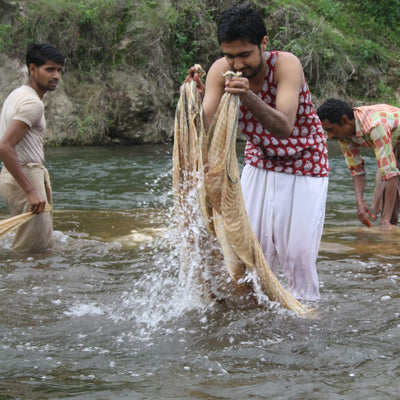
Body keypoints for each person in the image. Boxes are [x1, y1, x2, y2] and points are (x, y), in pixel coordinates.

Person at [185, 5, 329, 301]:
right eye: (229, 55)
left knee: (298, 255)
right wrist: (194, 100)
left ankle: (304, 314)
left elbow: (284, 126)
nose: (237, 64)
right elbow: (207, 128)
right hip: (260, 160)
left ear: (264, 43)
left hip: (306, 162)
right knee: (248, 249)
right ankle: (255, 311)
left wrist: (248, 95)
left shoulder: (286, 65)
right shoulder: (218, 71)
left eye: (245, 54)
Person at [0, 41, 65, 252]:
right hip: (24, 176)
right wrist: (30, 190)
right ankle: (18, 285)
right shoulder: (32, 103)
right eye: (49, 69)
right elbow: (4, 146)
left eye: (59, 70)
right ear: (32, 69)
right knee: (34, 250)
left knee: (36, 245)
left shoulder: (17, 94)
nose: (56, 76)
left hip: (17, 175)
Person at [317, 98, 400, 230]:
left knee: (387, 218)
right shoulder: (343, 135)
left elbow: (390, 174)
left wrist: (385, 221)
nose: (330, 136)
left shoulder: (375, 125)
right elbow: (357, 170)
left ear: (344, 120)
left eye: (330, 129)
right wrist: (360, 201)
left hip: (393, 141)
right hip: (394, 144)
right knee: (387, 212)